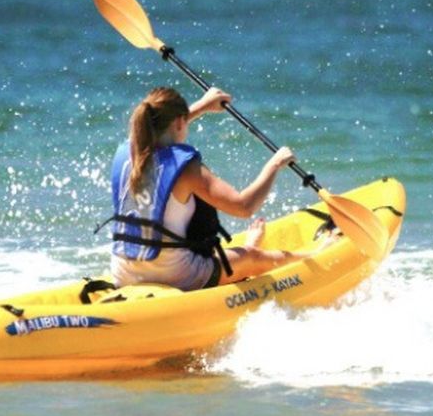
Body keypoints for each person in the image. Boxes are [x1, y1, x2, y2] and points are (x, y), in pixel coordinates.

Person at [104, 86, 310, 291]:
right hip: (174, 275)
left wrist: (201, 107)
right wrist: (274, 164)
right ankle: (313, 257)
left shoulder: (132, 150)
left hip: (124, 273)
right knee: (251, 258)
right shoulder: (185, 168)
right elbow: (244, 207)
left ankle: (248, 247)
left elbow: (161, 129)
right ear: (179, 122)